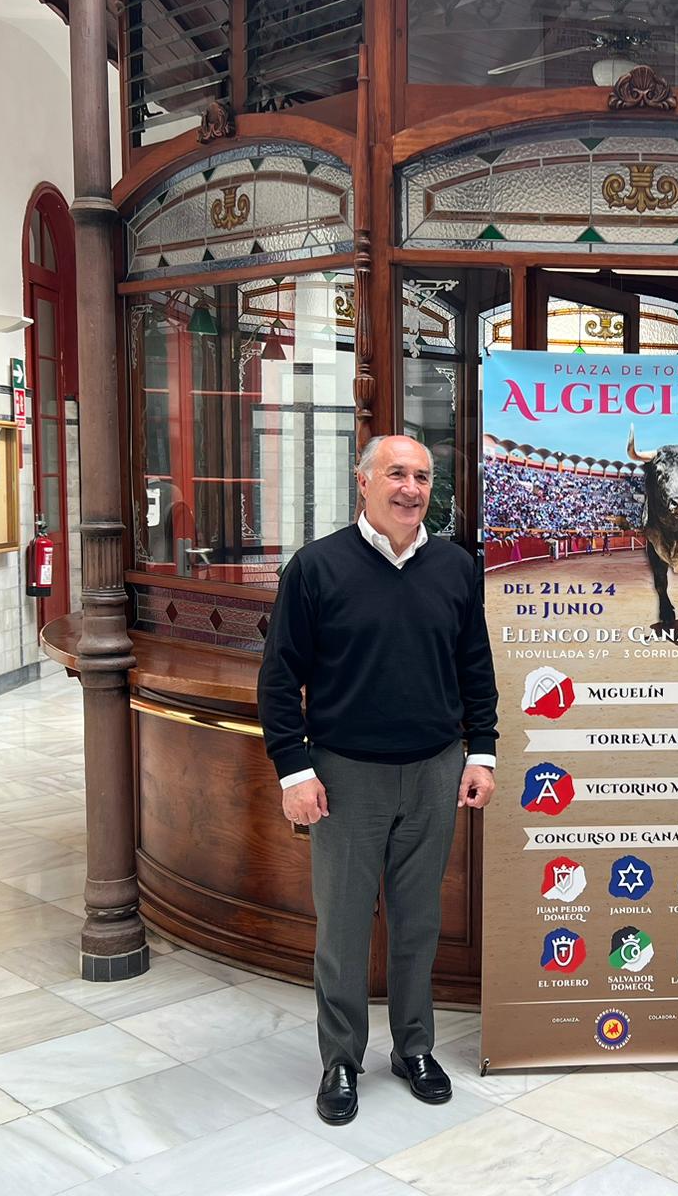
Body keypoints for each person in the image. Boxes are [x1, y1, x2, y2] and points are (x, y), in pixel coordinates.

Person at [257, 435, 497, 1125]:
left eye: (423, 476)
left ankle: (413, 1048)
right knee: (342, 929)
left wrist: (480, 752)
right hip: (343, 778)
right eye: (396, 473)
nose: (411, 488)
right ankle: (341, 1058)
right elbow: (278, 679)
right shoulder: (316, 568)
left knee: (419, 923)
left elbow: (474, 667)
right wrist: (294, 770)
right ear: (362, 483)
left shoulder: (455, 567)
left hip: (434, 772)